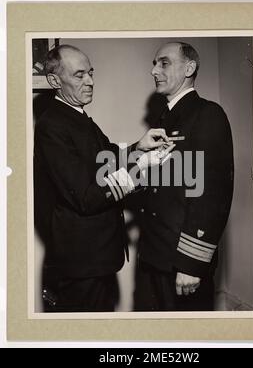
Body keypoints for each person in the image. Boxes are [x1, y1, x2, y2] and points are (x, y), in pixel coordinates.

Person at [34, 44, 173, 312]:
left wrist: (137, 146)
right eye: (79, 75)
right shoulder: (52, 126)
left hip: (96, 259)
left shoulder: (76, 116)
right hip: (81, 266)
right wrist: (139, 167)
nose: (90, 82)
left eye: (91, 73)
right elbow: (85, 197)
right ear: (54, 81)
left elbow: (105, 157)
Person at [134, 42, 234, 311]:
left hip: (181, 263)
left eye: (164, 63)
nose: (154, 70)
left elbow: (212, 196)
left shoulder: (207, 115)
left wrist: (192, 264)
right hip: (154, 258)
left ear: (189, 68)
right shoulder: (164, 119)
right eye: (154, 64)